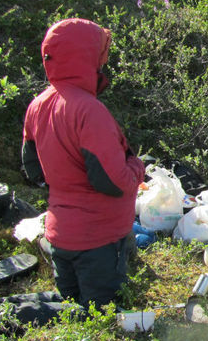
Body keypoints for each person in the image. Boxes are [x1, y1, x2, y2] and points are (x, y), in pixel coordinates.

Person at [21, 17, 145, 307]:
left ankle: (2, 313)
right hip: (98, 240)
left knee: (70, 311)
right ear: (86, 55)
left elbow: (34, 171)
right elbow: (115, 182)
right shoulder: (89, 110)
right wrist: (137, 168)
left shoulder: (38, 105)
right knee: (100, 319)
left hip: (61, 235)